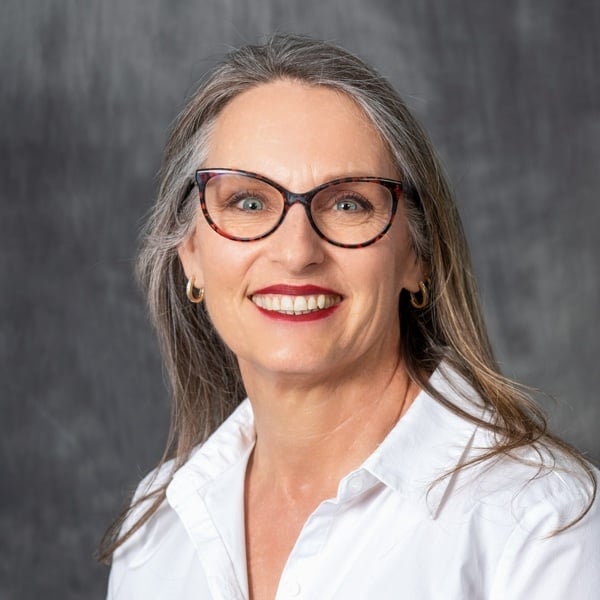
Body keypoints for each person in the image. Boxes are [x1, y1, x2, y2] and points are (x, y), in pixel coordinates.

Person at [100, 34, 599, 599]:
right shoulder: (158, 525)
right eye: (247, 202)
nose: (296, 252)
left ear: (416, 256)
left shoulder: (544, 523)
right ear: (190, 253)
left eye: (348, 203)